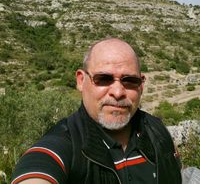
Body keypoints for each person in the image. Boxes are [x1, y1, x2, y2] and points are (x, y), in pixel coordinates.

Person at [11, 38, 182, 184]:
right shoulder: (64, 144)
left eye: (129, 80)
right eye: (104, 79)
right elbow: (37, 169)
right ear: (81, 80)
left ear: (141, 85)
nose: (118, 92)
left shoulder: (156, 130)